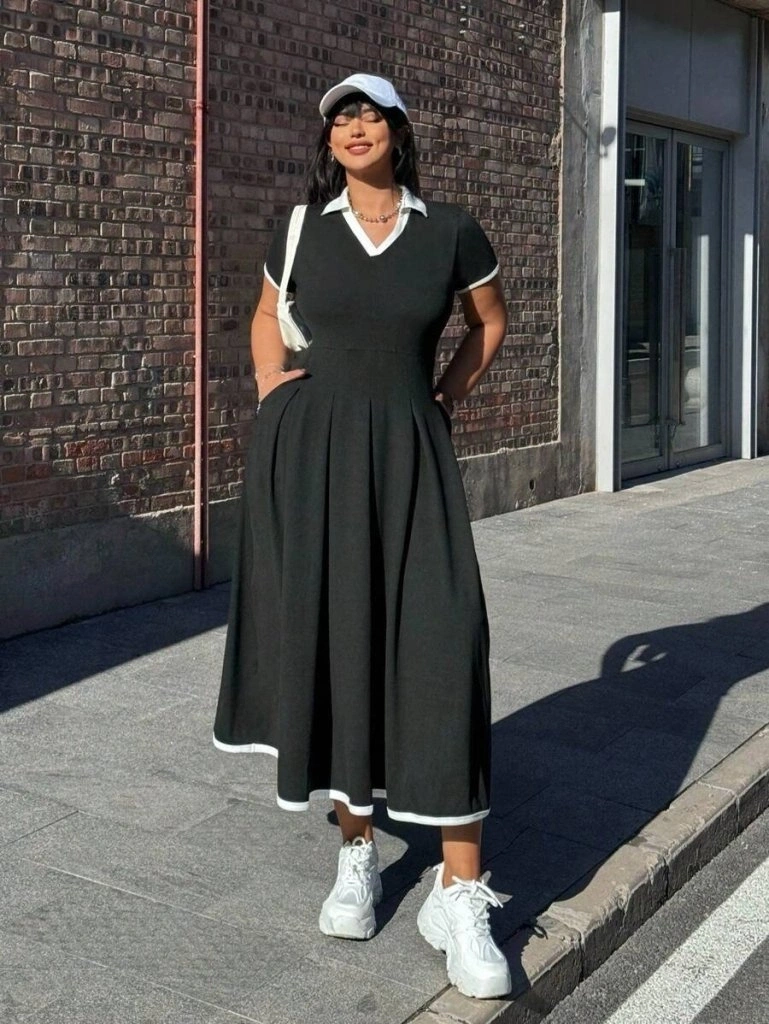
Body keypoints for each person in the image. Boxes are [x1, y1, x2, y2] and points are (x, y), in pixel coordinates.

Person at [213, 73, 511, 999]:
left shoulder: (448, 230)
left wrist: (444, 398)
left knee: (445, 641)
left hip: (412, 459)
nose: (353, 127)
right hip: (313, 461)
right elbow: (265, 316)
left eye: (368, 114)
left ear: (397, 131)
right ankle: (356, 851)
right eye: (340, 118)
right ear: (329, 140)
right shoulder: (302, 228)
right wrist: (269, 384)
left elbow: (489, 322)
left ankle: (458, 894)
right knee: (342, 641)